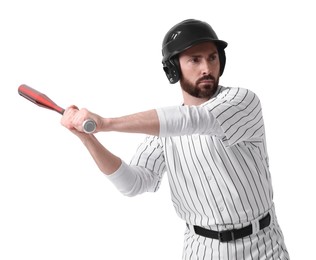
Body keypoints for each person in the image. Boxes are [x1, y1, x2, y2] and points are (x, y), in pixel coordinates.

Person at [61, 19, 290, 259]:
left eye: (212, 57)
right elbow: (132, 184)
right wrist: (88, 138)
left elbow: (194, 120)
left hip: (263, 247)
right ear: (173, 68)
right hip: (201, 249)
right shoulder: (163, 130)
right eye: (195, 59)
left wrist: (106, 123)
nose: (206, 68)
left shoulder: (242, 101)